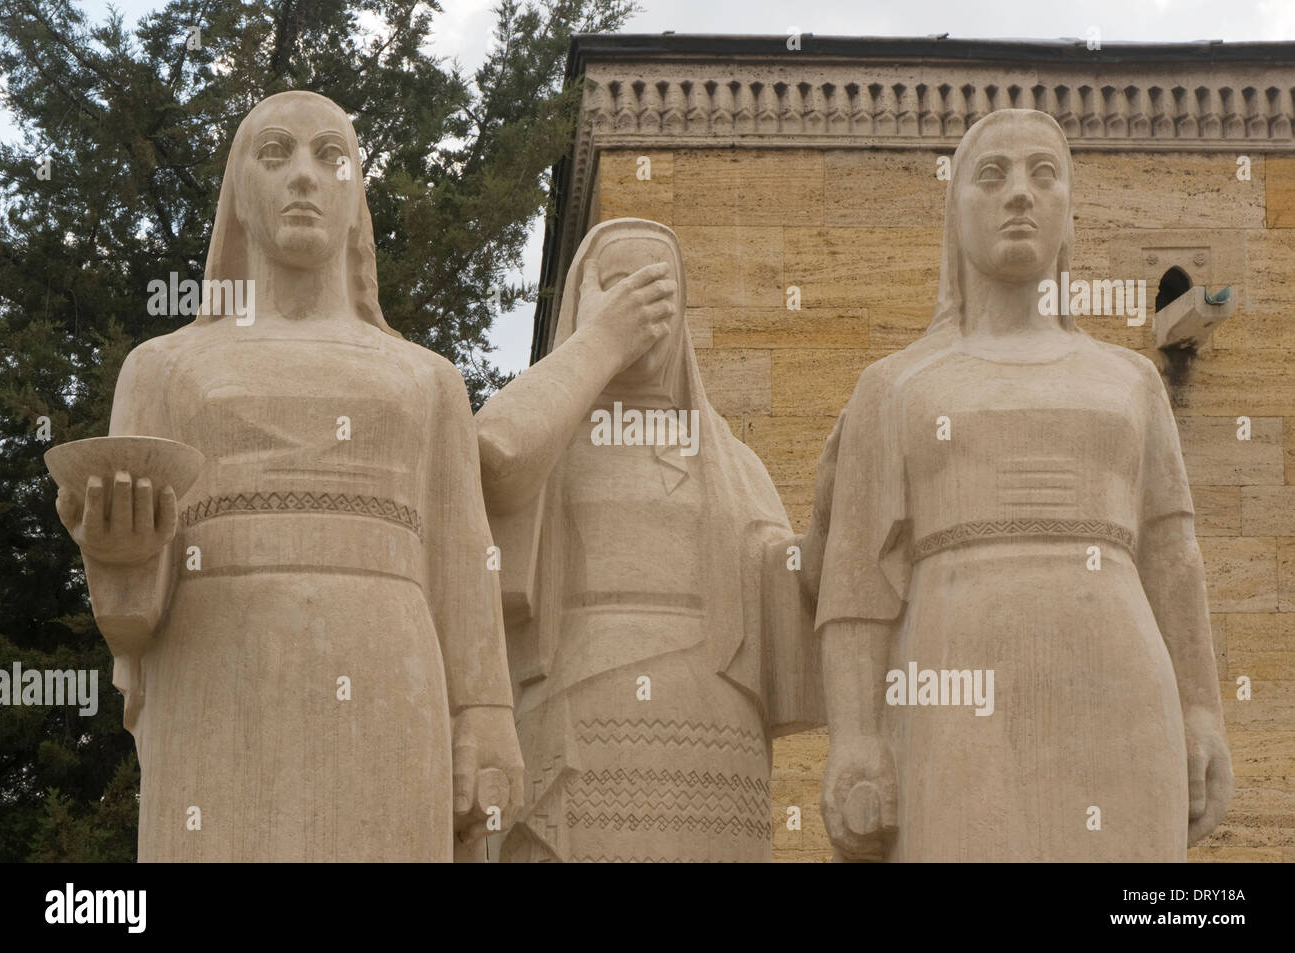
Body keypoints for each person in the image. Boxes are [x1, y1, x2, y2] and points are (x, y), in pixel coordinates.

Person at [55, 91, 521, 861]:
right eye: (275, 153)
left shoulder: (429, 381)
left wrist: (486, 711)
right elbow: (133, 622)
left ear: (355, 196)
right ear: (239, 192)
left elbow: (467, 562)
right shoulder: (164, 369)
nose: (304, 174)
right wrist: (122, 555)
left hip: (389, 682)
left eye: (328, 155)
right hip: (216, 675)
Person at [803, 108, 1232, 862]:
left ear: (1069, 211)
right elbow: (857, 588)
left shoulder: (1129, 381)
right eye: (992, 176)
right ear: (955, 210)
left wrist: (1201, 708)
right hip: (951, 694)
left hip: (1123, 689)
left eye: (1044, 174)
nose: (1020, 195)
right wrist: (858, 737)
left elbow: (1173, 555)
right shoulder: (896, 387)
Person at [477, 218, 821, 862]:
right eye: (616, 284)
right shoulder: (548, 448)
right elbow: (493, 457)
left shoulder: (732, 463)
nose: (641, 303)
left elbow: (786, 593)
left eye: (658, 287)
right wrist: (600, 342)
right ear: (583, 301)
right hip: (578, 713)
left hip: (714, 730)